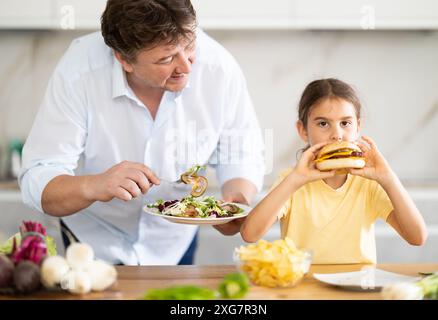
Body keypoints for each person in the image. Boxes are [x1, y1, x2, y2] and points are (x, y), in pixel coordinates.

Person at [19, 0, 265, 265]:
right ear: (123, 59)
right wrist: (96, 185)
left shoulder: (219, 69)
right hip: (91, 243)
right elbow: (39, 177)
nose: (187, 67)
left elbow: (241, 154)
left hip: (174, 242)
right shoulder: (80, 72)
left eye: (190, 46)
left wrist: (236, 203)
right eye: (167, 58)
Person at [240, 78, 427, 264]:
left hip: (357, 287)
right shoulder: (292, 180)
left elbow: (417, 237)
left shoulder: (369, 184)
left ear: (358, 127)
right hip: (305, 287)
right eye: (323, 124)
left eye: (345, 123)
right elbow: (249, 234)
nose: (336, 134)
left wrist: (388, 178)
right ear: (303, 130)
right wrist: (293, 181)